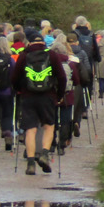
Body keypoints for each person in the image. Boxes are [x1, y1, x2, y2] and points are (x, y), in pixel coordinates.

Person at [11, 27, 66, 175]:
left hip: (28, 97)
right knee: (48, 126)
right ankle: (45, 154)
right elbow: (61, 77)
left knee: (30, 129)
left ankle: (30, 163)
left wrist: (20, 90)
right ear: (43, 42)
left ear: (29, 42)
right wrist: (59, 95)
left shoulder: (24, 56)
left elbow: (15, 77)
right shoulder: (52, 55)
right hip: (47, 96)